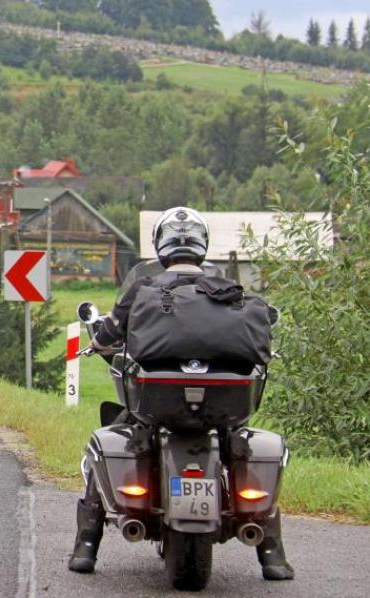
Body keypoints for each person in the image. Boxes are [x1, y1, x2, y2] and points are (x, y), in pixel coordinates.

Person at [67, 206, 294, 580]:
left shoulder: (142, 288)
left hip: (159, 402)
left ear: (161, 247)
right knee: (243, 444)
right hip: (223, 405)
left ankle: (85, 549)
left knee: (102, 448)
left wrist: (98, 341)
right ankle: (272, 556)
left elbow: (107, 335)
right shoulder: (230, 293)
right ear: (202, 247)